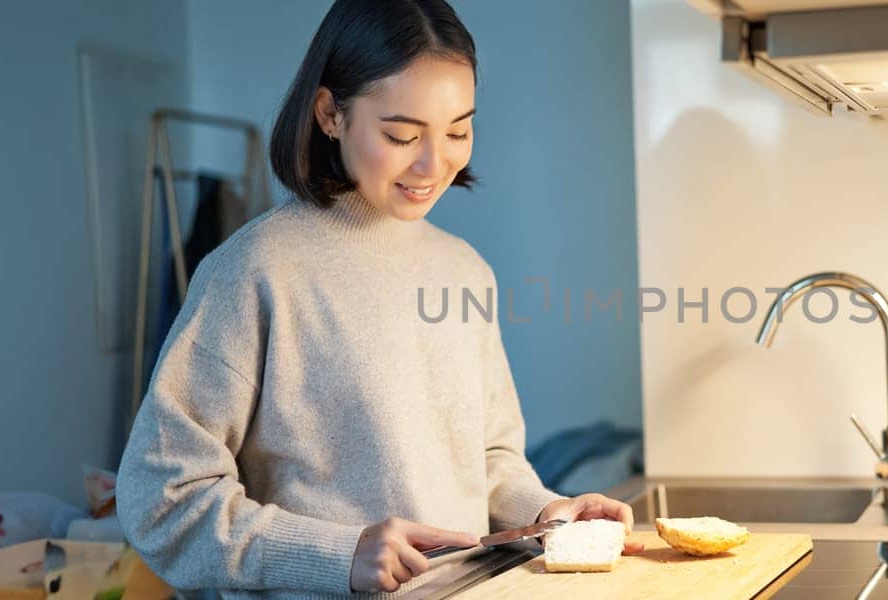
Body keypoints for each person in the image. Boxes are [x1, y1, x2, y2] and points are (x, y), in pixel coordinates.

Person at [116, 1, 641, 597]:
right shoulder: (253, 272)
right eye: (401, 134)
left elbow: (488, 458)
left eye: (458, 130)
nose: (433, 163)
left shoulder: (465, 271)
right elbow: (160, 502)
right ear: (329, 113)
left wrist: (550, 512)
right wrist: (339, 555)